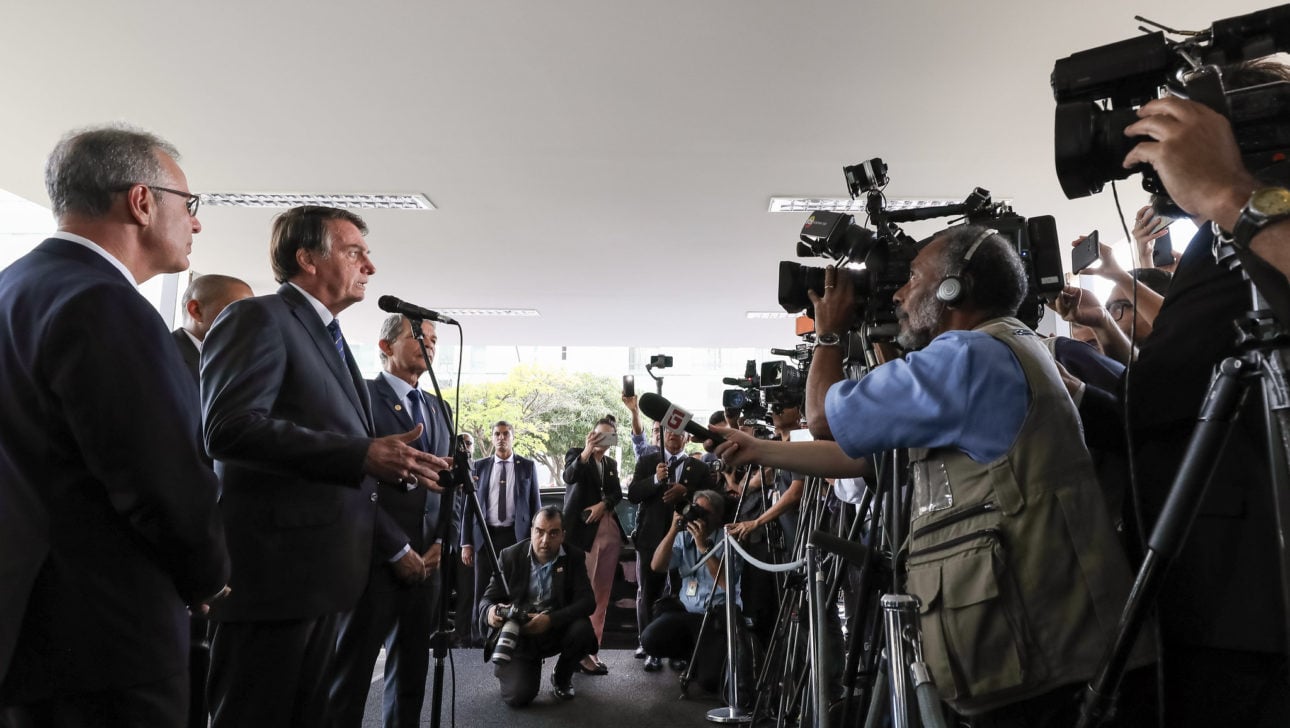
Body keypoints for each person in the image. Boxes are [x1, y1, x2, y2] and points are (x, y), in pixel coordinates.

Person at [713, 225, 1150, 722]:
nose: (899, 294)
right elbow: (863, 457)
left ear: (952, 289)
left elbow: (822, 418)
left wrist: (828, 332)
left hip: (1035, 651)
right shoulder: (1007, 346)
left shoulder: (967, 356)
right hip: (1049, 639)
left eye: (912, 278)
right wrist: (760, 449)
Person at [0, 125, 230, 725]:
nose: (196, 224)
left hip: (31, 630)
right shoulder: (105, 303)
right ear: (142, 201)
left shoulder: (14, 288)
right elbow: (160, 482)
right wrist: (210, 576)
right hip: (107, 639)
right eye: (190, 205)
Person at [201, 205, 449, 727]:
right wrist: (361, 454)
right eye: (355, 251)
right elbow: (228, 428)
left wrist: (392, 461)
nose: (369, 267)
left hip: (324, 576)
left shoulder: (330, 339)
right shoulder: (259, 317)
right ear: (307, 258)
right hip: (275, 578)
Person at [329, 315, 455, 728]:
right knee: (349, 677)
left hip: (427, 566)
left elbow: (447, 484)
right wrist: (397, 549)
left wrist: (441, 542)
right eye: (418, 336)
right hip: (373, 561)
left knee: (410, 678)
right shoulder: (361, 396)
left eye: (434, 338)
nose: (429, 344)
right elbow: (352, 483)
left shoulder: (439, 406)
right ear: (385, 347)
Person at [170, 272, 251, 728]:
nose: (246, 324)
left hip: (225, 551)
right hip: (185, 554)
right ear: (196, 310)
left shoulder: (236, 367)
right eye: (234, 313)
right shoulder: (164, 357)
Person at [478, 506, 597, 707]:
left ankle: (561, 677)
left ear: (562, 535)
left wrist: (550, 620)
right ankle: (511, 667)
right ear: (531, 531)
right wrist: (490, 613)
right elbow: (486, 600)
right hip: (521, 635)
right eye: (539, 532)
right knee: (517, 697)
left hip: (554, 630)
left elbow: (588, 602)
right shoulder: (509, 556)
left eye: (553, 533)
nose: (544, 540)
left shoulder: (574, 557)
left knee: (582, 628)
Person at [640, 490, 746, 696]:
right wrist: (673, 529)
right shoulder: (682, 538)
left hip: (716, 615)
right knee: (650, 639)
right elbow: (657, 565)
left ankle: (704, 661)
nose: (697, 516)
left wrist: (704, 547)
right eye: (694, 510)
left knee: (709, 682)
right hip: (687, 612)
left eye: (703, 512)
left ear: (716, 516)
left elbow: (726, 583)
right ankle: (692, 657)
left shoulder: (729, 539)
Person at [628, 426, 717, 671]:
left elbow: (712, 497)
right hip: (651, 539)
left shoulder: (699, 468)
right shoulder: (648, 462)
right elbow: (634, 494)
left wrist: (686, 492)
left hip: (686, 540)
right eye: (669, 432)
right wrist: (656, 479)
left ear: (687, 438)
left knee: (681, 594)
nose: (672, 435)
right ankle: (650, 648)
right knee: (649, 593)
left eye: (678, 432)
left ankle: (678, 649)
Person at [460, 421, 540, 646]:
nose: (501, 438)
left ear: (512, 437)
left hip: (516, 537)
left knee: (514, 588)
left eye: (506, 434)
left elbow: (536, 505)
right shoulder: (479, 466)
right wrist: (466, 543)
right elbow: (469, 508)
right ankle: (480, 637)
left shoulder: (527, 466)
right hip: (485, 536)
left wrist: (535, 539)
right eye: (497, 434)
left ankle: (510, 633)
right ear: (492, 438)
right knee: (481, 588)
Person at [561, 417, 626, 675]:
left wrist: (604, 505)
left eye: (609, 437)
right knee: (582, 596)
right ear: (591, 434)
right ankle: (576, 652)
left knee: (602, 595)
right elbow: (569, 476)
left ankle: (592, 650)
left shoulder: (610, 463)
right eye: (600, 435)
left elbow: (617, 493)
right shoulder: (577, 454)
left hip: (609, 533)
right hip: (581, 536)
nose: (604, 441)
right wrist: (587, 451)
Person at [173, 274, 254, 391]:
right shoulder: (162, 354)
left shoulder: (238, 363)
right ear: (196, 311)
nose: (249, 321)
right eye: (238, 310)